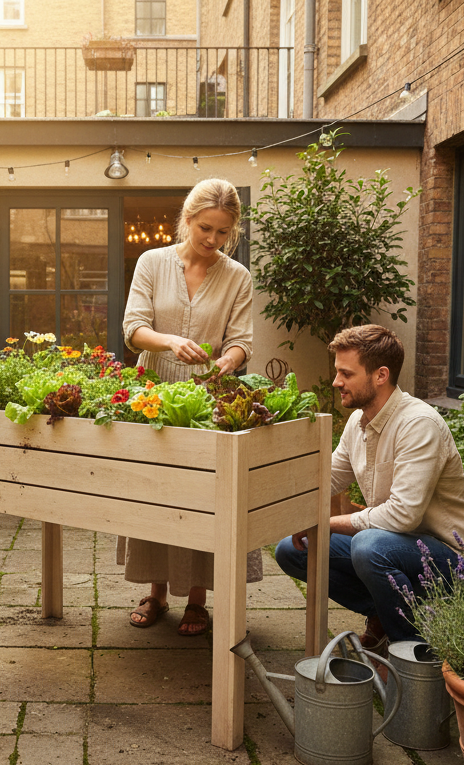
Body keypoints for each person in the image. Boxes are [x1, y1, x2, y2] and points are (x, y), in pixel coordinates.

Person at [275, 325, 464, 652]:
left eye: (346, 373)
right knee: (292, 551)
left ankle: (412, 652)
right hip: (394, 547)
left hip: (452, 563)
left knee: (369, 546)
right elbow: (326, 480)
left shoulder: (418, 425)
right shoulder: (357, 422)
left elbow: (402, 516)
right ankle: (385, 617)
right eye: (337, 372)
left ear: (380, 375)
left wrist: (325, 525)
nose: (336, 382)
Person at [119, 177, 259, 635]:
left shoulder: (238, 276)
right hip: (153, 396)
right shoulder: (151, 262)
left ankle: (198, 599)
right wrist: (170, 341)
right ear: (187, 220)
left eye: (222, 232)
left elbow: (242, 342)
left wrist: (226, 361)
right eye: (204, 228)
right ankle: (156, 593)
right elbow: (134, 328)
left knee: (204, 500)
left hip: (206, 401)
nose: (212, 240)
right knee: (156, 492)